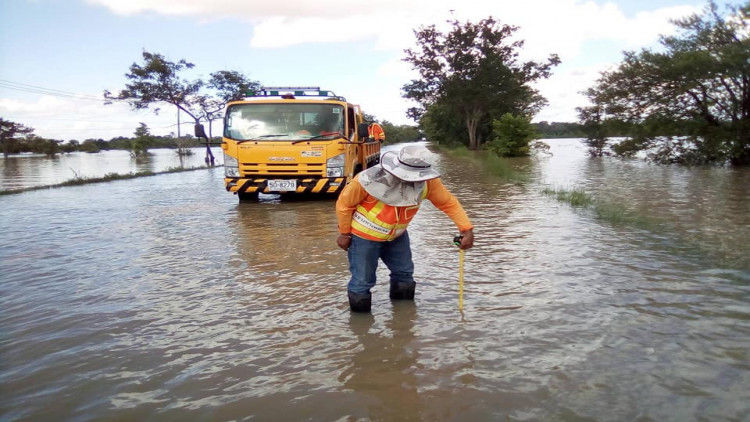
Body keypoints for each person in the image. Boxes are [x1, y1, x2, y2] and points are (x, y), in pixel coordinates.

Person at [335, 145, 474, 312]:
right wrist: (344, 233)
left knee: (404, 275)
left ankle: (403, 322)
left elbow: (448, 203)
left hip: (397, 236)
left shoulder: (428, 183)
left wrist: (466, 229)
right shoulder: (366, 180)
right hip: (364, 237)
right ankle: (361, 327)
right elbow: (344, 205)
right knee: (362, 281)